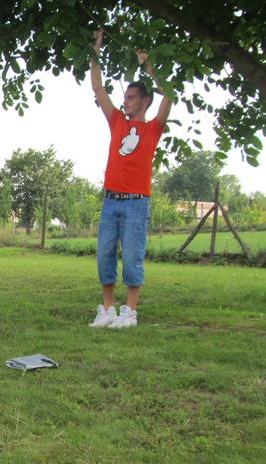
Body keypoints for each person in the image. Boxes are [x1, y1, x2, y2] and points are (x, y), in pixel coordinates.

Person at [89, 30, 174, 329]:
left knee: (133, 257)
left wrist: (149, 67)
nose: (125, 102)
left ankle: (130, 313)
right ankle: (108, 310)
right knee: (104, 255)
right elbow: (98, 87)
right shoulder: (117, 123)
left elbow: (170, 94)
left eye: (131, 97)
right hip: (111, 201)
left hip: (137, 203)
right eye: (124, 97)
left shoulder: (153, 128)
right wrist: (96, 50)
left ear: (145, 100)